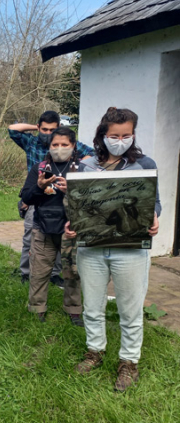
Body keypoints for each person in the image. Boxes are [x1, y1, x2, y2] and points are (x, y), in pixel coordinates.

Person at [67, 107, 160, 392]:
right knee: (92, 306)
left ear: (133, 134)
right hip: (92, 248)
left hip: (130, 250)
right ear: (103, 135)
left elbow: (154, 203)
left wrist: (154, 219)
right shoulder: (86, 166)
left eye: (126, 135)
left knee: (129, 310)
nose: (120, 140)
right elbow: (75, 205)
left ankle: (129, 362)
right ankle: (95, 351)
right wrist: (71, 226)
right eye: (114, 135)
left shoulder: (144, 165)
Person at [9, 111, 94, 285]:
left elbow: (93, 155)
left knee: (58, 236)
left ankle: (54, 274)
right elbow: (12, 129)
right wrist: (36, 128)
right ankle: (26, 272)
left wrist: (77, 165)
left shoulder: (66, 144)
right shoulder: (32, 143)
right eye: (44, 129)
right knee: (30, 237)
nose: (48, 134)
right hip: (38, 195)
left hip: (61, 197)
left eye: (52, 130)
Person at [20, 127, 83, 326]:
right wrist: (39, 186)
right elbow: (27, 197)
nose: (59, 148)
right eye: (55, 144)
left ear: (73, 146)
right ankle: (37, 309)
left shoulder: (81, 170)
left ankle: (74, 310)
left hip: (70, 230)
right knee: (39, 271)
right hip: (42, 228)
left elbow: (89, 202)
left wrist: (70, 191)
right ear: (49, 145)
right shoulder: (40, 168)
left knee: (72, 272)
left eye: (65, 144)